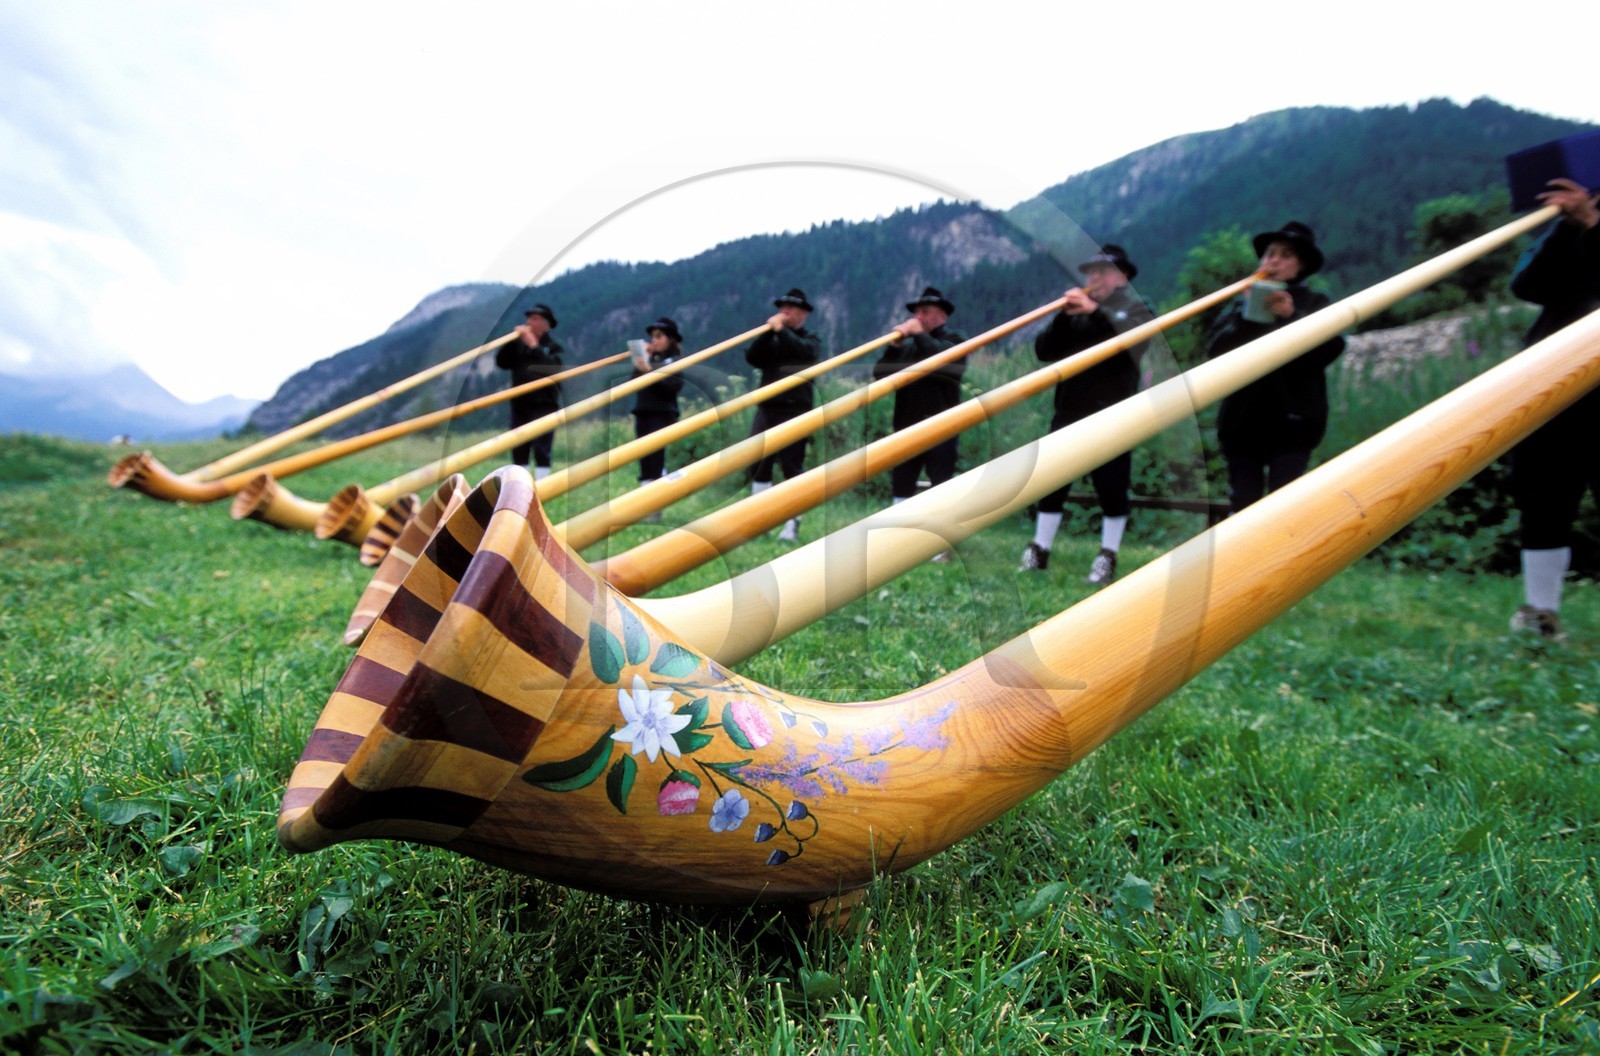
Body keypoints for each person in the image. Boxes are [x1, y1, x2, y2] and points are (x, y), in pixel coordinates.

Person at [1019, 245, 1154, 584]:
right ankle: (1039, 549)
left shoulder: (1137, 308)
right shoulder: (1076, 314)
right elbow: (1044, 350)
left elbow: (1135, 340)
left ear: (1122, 277)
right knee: (1053, 481)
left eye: (1103, 271)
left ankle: (1108, 555)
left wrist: (1094, 312)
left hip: (1114, 413)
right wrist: (1063, 317)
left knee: (1112, 485)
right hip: (1069, 409)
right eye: (1091, 272)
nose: (1095, 277)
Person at [1506, 178, 1600, 642]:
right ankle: (1540, 616)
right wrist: (1570, 226)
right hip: (1556, 382)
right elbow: (1528, 285)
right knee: (1544, 497)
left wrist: (1593, 226)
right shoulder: (1568, 230)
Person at [1205, 221, 1344, 512]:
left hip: (1293, 426)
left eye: (1285, 255)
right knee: (1243, 504)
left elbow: (1330, 350)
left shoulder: (1316, 303)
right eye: (1270, 254)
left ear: (1301, 265)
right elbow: (1215, 353)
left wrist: (1290, 317)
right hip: (1242, 424)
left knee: (1285, 508)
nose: (1274, 261)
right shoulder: (1239, 306)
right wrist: (1245, 317)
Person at [872, 286, 969, 503]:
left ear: (942, 316)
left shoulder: (956, 340)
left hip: (942, 428)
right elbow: (880, 374)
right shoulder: (908, 349)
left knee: (941, 486)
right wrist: (894, 347)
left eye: (925, 311)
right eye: (916, 312)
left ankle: (940, 525)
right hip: (906, 426)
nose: (918, 317)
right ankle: (900, 523)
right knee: (902, 484)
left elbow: (941, 361)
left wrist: (918, 334)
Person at [746, 288, 823, 542]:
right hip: (767, 408)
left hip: (795, 410)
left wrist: (781, 331)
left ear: (803, 314)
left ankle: (792, 526)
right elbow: (753, 357)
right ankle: (759, 522)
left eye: (791, 308)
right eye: (783, 307)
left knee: (791, 466)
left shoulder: (810, 338)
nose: (784, 312)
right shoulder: (774, 338)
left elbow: (804, 352)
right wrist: (768, 333)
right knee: (758, 463)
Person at [495, 304, 565, 479]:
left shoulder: (554, 347)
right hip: (520, 403)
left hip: (544, 404)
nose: (529, 323)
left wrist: (534, 347)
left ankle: (542, 486)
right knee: (519, 446)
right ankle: (520, 485)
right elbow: (502, 362)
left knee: (542, 447)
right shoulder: (518, 345)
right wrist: (512, 341)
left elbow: (552, 369)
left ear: (545, 324)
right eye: (528, 318)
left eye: (534, 319)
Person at [631, 316, 686, 485]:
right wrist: (641, 364)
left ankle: (659, 493)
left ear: (670, 340)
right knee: (644, 459)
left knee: (657, 459)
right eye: (652, 337)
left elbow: (670, 389)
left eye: (659, 336)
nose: (653, 341)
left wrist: (650, 372)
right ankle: (646, 492)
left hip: (662, 415)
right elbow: (633, 384)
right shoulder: (650, 361)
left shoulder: (675, 363)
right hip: (643, 413)